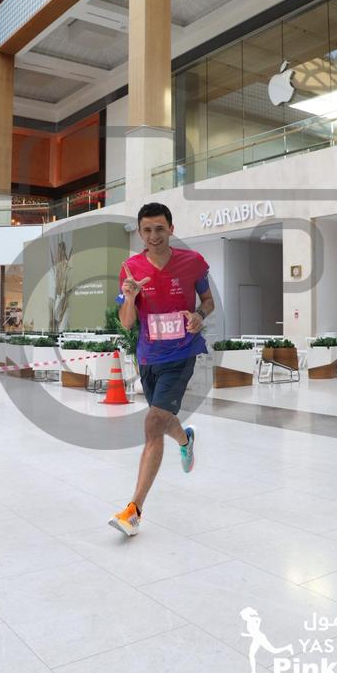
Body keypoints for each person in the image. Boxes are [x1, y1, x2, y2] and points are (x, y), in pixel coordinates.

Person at [108, 202, 214, 536]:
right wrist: (129, 297)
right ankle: (186, 439)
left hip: (182, 353)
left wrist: (199, 316)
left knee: (153, 423)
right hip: (148, 356)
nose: (154, 236)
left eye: (159, 228)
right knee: (164, 419)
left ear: (171, 228)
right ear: (140, 233)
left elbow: (208, 301)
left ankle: (133, 510)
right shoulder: (131, 268)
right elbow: (127, 323)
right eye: (147, 230)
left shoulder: (192, 262)